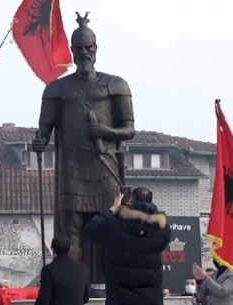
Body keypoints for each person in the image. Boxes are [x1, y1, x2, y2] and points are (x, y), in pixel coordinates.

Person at [33, 11, 135, 284]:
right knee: (71, 229)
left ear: (96, 49)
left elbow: (129, 130)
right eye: (78, 48)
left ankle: (110, 282)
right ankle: (71, 283)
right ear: (72, 50)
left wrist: (105, 131)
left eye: (88, 47)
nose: (83, 52)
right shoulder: (56, 88)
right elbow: (45, 126)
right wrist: (39, 141)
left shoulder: (116, 84)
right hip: (71, 166)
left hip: (105, 164)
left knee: (110, 227)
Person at [84, 188, 171, 305]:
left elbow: (90, 230)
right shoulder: (161, 228)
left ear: (130, 202)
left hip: (119, 298)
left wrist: (112, 210)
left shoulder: (113, 223)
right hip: (151, 299)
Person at [35, 235, 89, 305]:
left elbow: (44, 300)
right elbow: (86, 298)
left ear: (53, 249)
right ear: (70, 248)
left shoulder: (48, 270)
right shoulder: (82, 269)